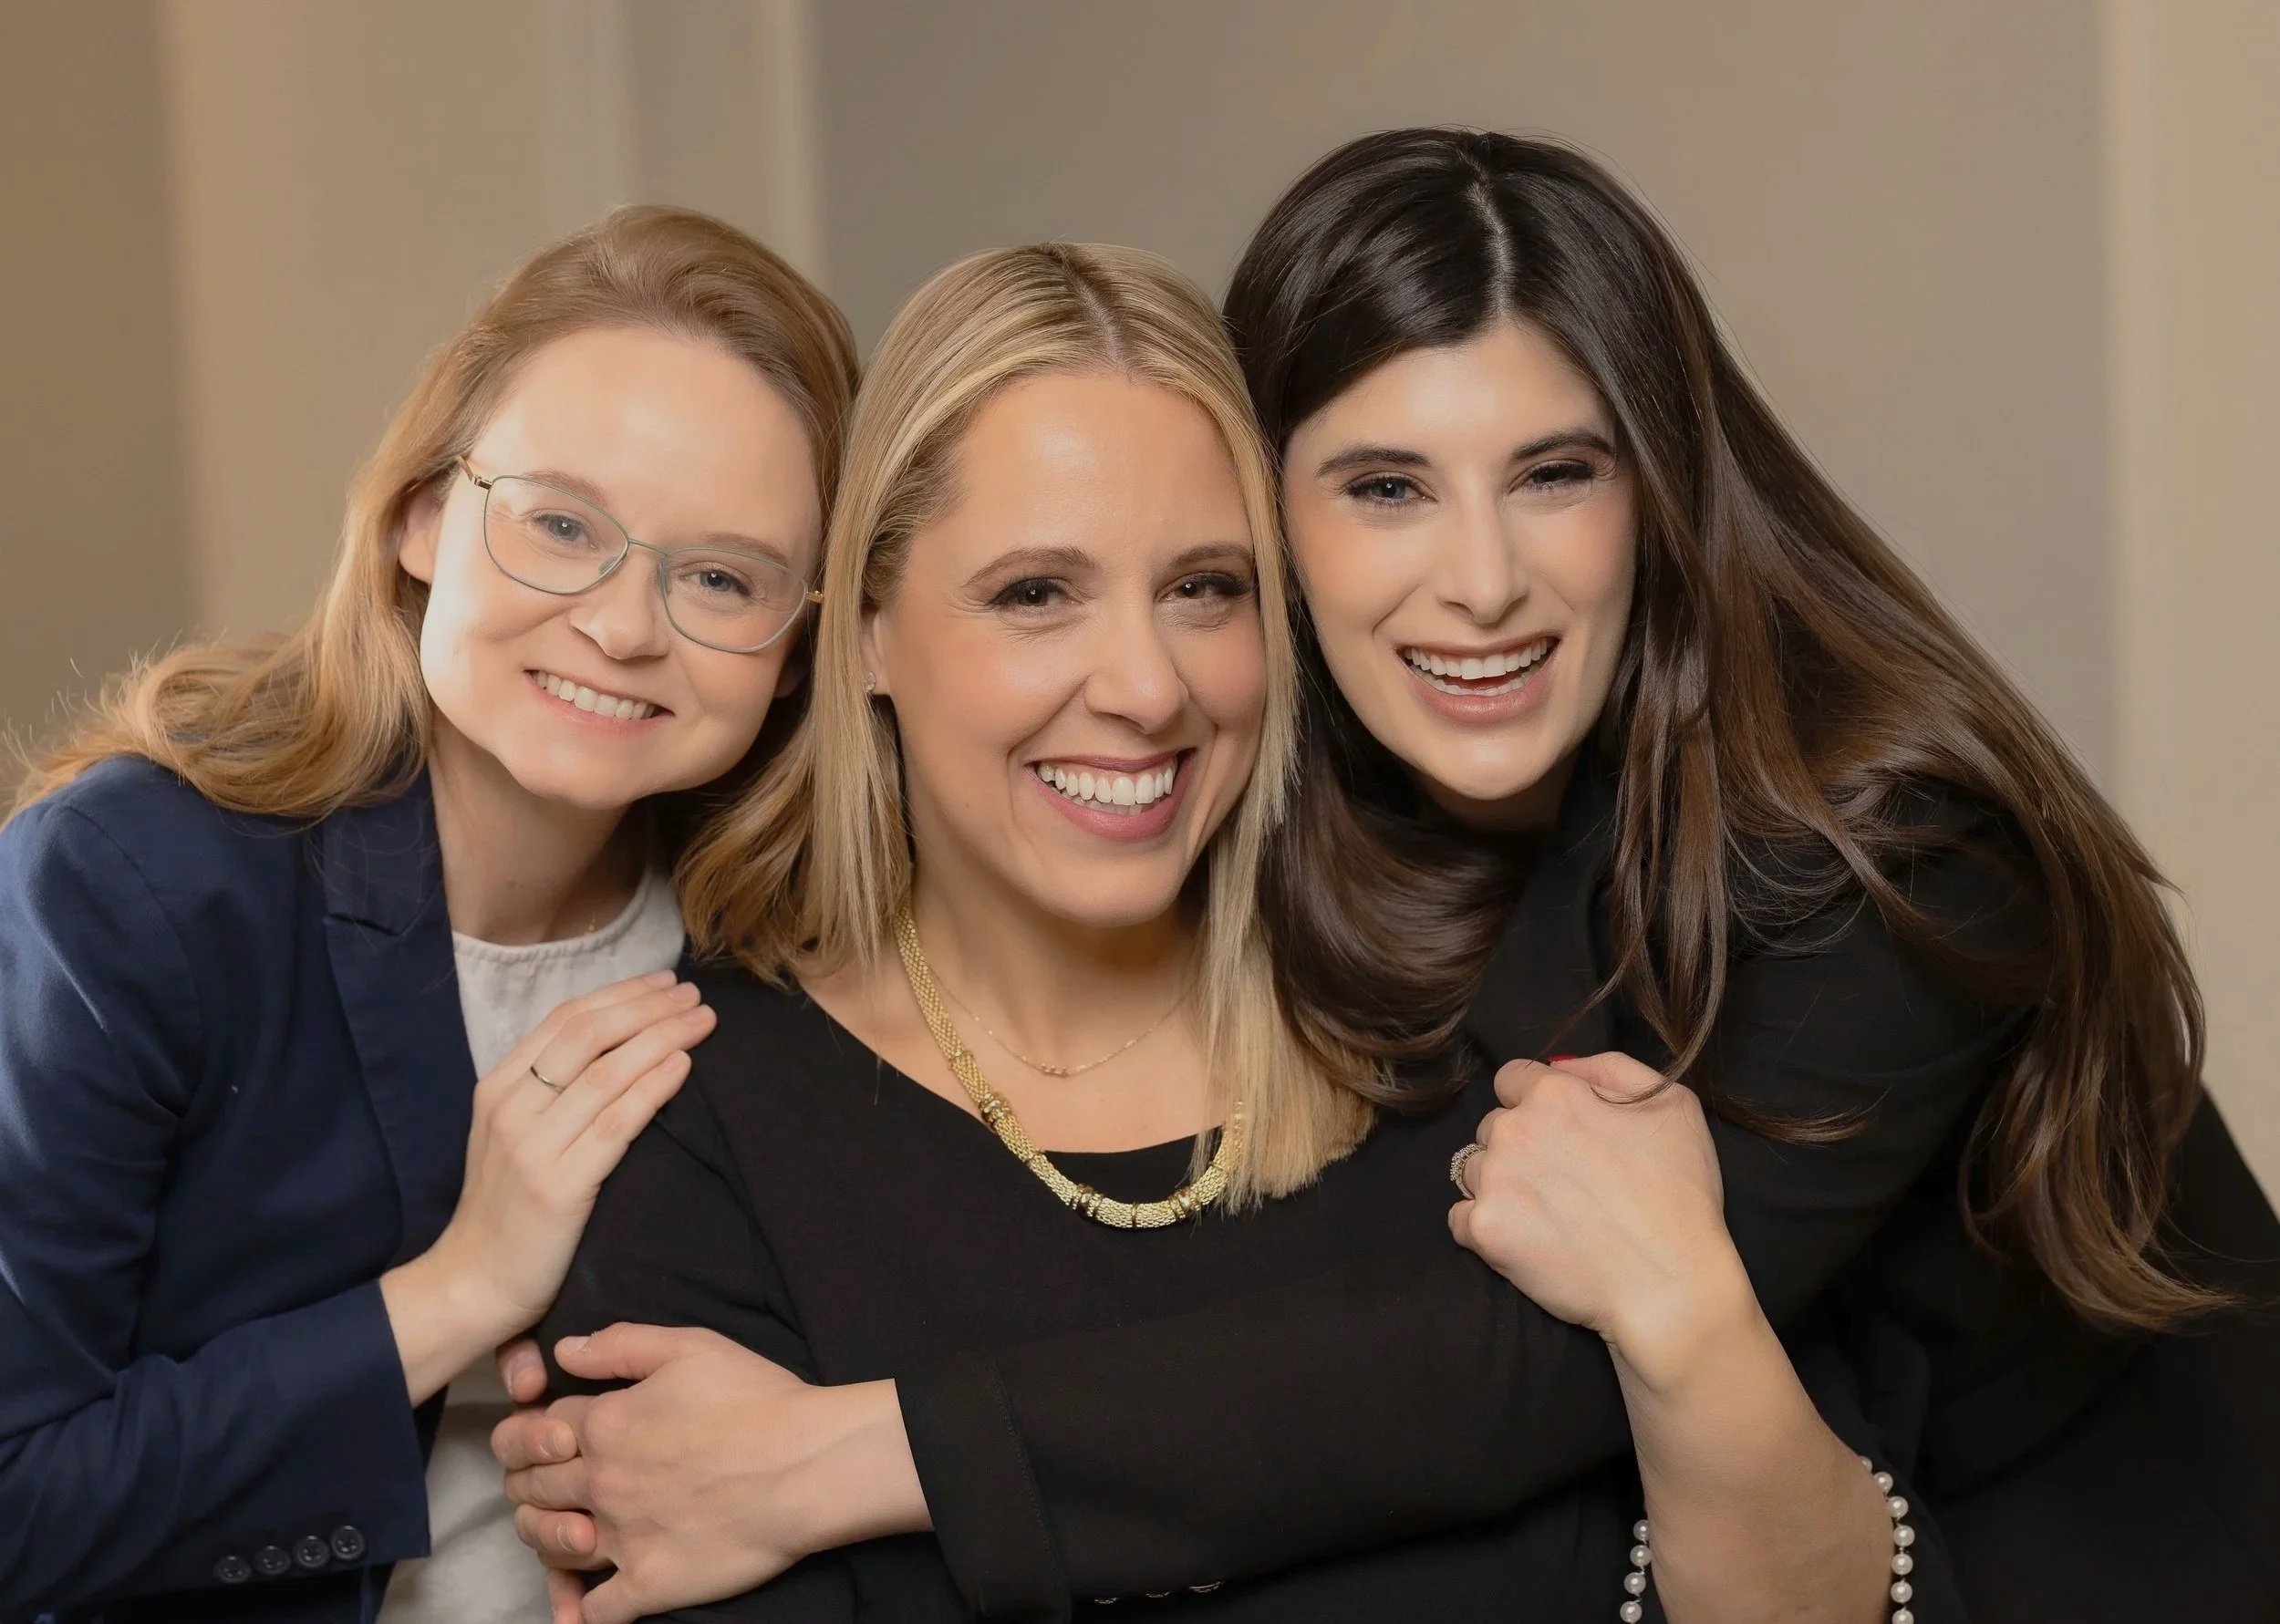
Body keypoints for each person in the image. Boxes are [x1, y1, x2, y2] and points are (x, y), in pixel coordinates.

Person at [499, 134, 2277, 1621]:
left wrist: (852, 1450)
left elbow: (1496, 1371)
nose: (1479, 579)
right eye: (1381, 486)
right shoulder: (1389, 879)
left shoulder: (1874, 852)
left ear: (1654, 492)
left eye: (1552, 475)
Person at [0, 205, 856, 1621]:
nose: (624, 625)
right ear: (418, 513)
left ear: (798, 645)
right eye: (562, 524)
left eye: (719, 576)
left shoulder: (802, 944)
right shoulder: (130, 885)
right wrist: (457, 1288)